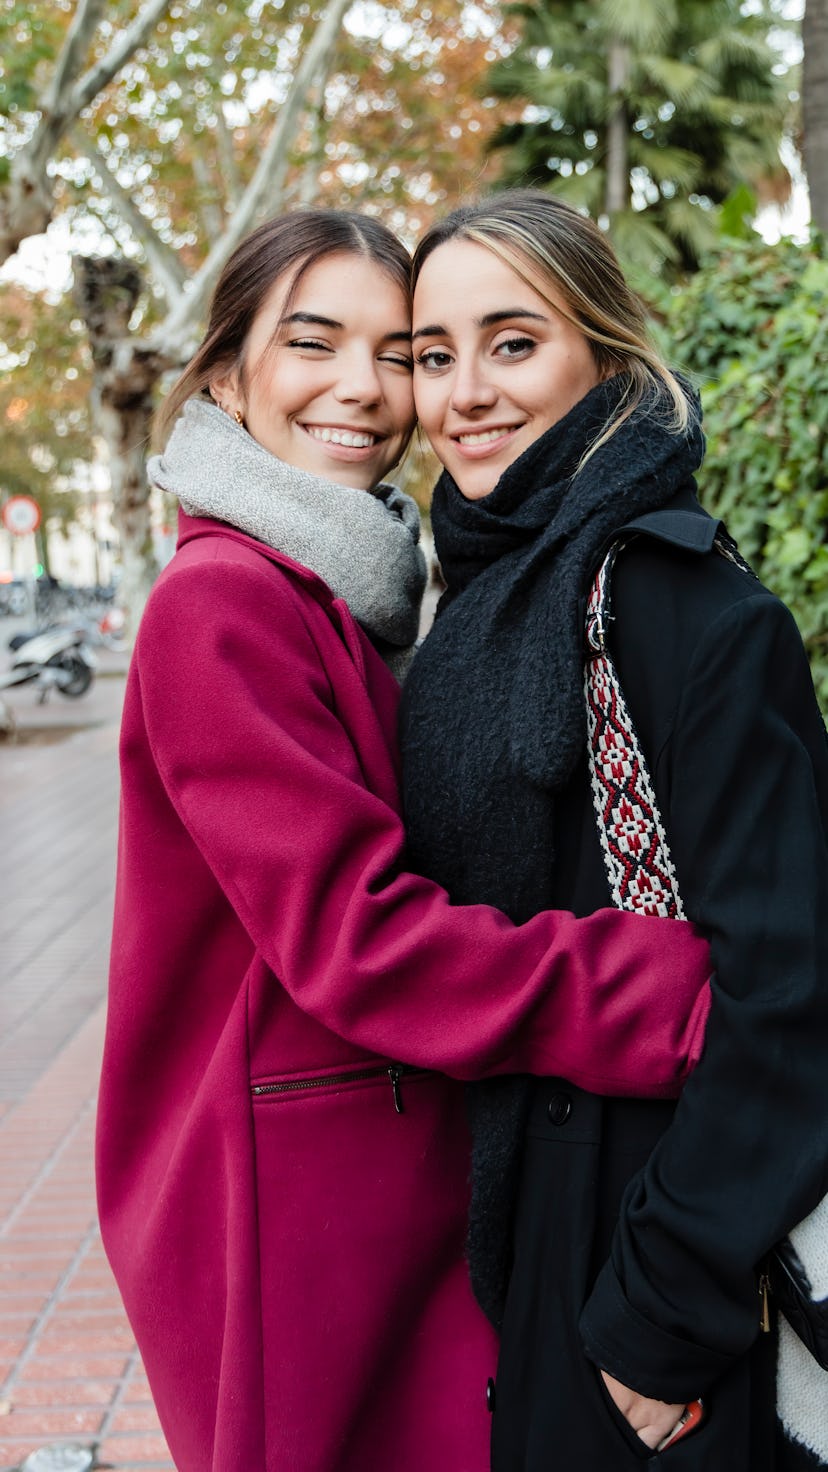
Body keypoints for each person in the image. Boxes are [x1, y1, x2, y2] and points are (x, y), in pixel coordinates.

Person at [96, 209, 713, 1472]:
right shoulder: (220, 605)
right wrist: (657, 989)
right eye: (314, 342)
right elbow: (355, 935)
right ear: (227, 373)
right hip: (292, 1193)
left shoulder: (343, 585)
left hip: (373, 1159)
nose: (365, 390)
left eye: (401, 352)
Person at [401, 187, 828, 1472]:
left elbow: (794, 992)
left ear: (603, 351)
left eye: (513, 342)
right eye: (434, 354)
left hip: (654, 1256)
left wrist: (656, 1314)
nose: (466, 391)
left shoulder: (685, 608)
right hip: (527, 1229)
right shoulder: (475, 599)